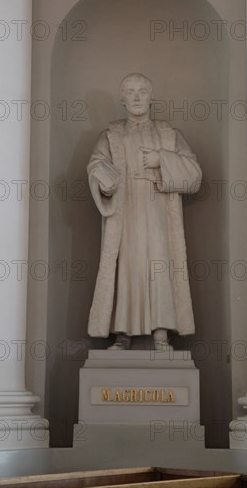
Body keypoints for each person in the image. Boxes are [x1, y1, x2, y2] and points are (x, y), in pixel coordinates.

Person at [87, 74, 202, 350]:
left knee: (159, 267)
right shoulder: (111, 134)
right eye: (130, 92)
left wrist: (162, 158)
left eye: (141, 91)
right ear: (122, 99)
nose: (136, 97)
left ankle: (161, 333)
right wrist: (105, 178)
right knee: (126, 267)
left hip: (158, 208)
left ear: (151, 96)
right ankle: (122, 333)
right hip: (124, 212)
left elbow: (194, 174)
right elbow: (95, 164)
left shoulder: (169, 134)